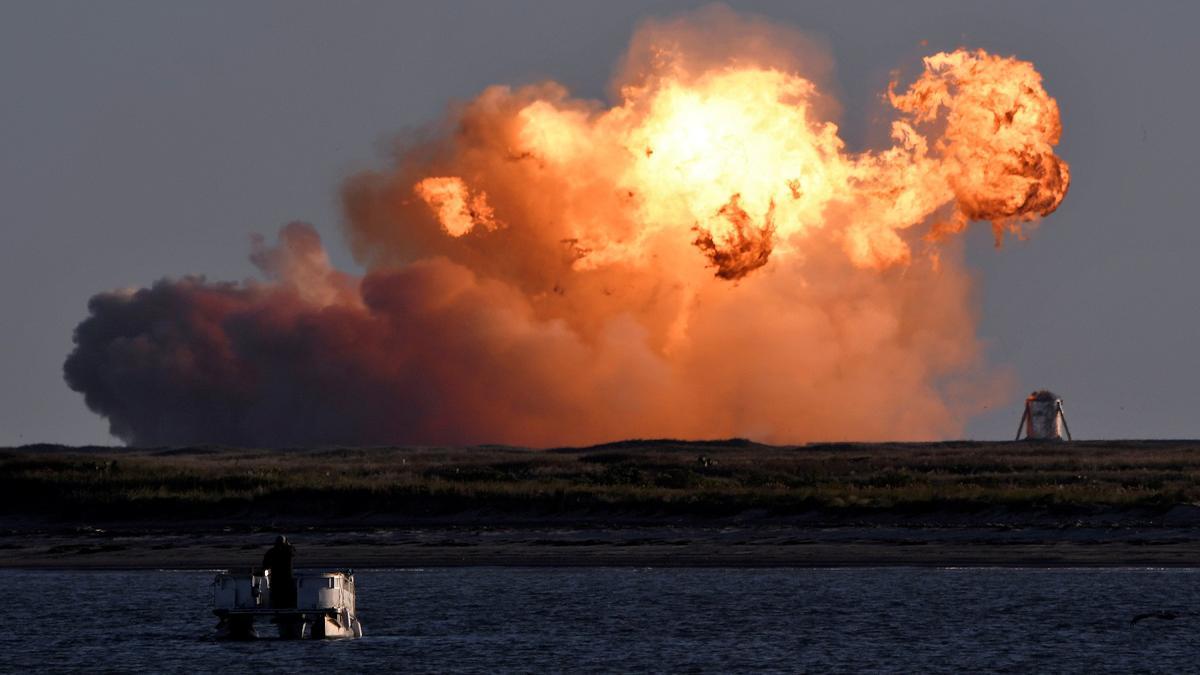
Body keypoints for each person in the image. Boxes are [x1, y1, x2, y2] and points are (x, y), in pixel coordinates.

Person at [262, 535, 296, 608]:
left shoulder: (271, 552)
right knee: (287, 601)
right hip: (287, 580)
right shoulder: (288, 551)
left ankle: (276, 614)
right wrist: (289, 544)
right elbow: (293, 551)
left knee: (276, 601)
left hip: (275, 580)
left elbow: (265, 565)